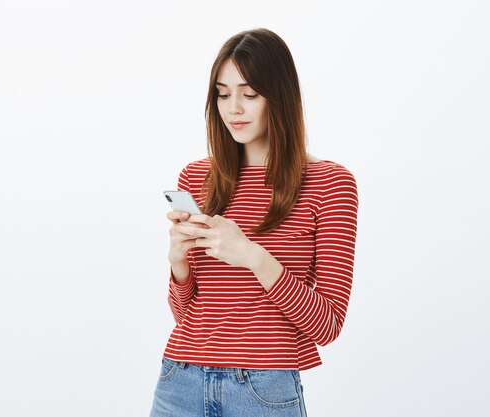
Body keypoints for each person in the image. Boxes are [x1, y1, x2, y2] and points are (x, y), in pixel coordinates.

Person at [149, 27, 359, 417]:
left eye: (249, 94)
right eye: (223, 94)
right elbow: (189, 317)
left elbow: (327, 325)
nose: (234, 109)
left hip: (263, 389)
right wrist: (178, 266)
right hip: (179, 380)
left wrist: (253, 256)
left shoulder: (330, 184)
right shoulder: (197, 177)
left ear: (278, 97)